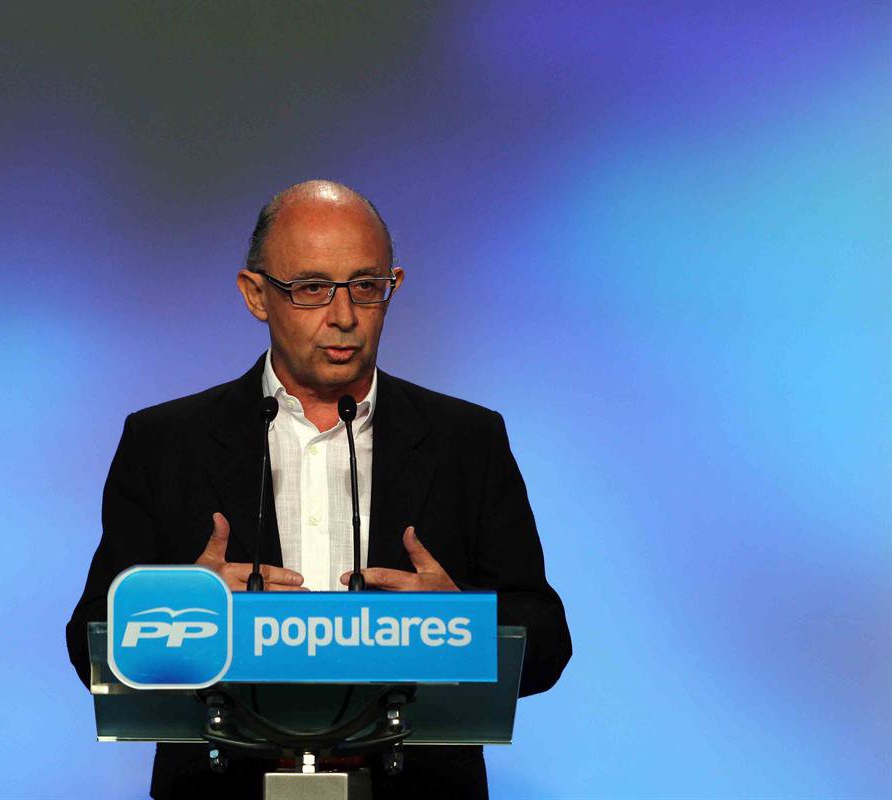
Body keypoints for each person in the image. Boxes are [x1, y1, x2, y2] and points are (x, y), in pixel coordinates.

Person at [66, 179, 572, 799]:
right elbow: (90, 642)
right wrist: (184, 605)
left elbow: (546, 641)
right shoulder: (166, 443)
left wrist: (460, 621)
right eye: (311, 288)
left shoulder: (467, 441)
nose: (345, 316)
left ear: (394, 286)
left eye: (366, 286)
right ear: (256, 295)